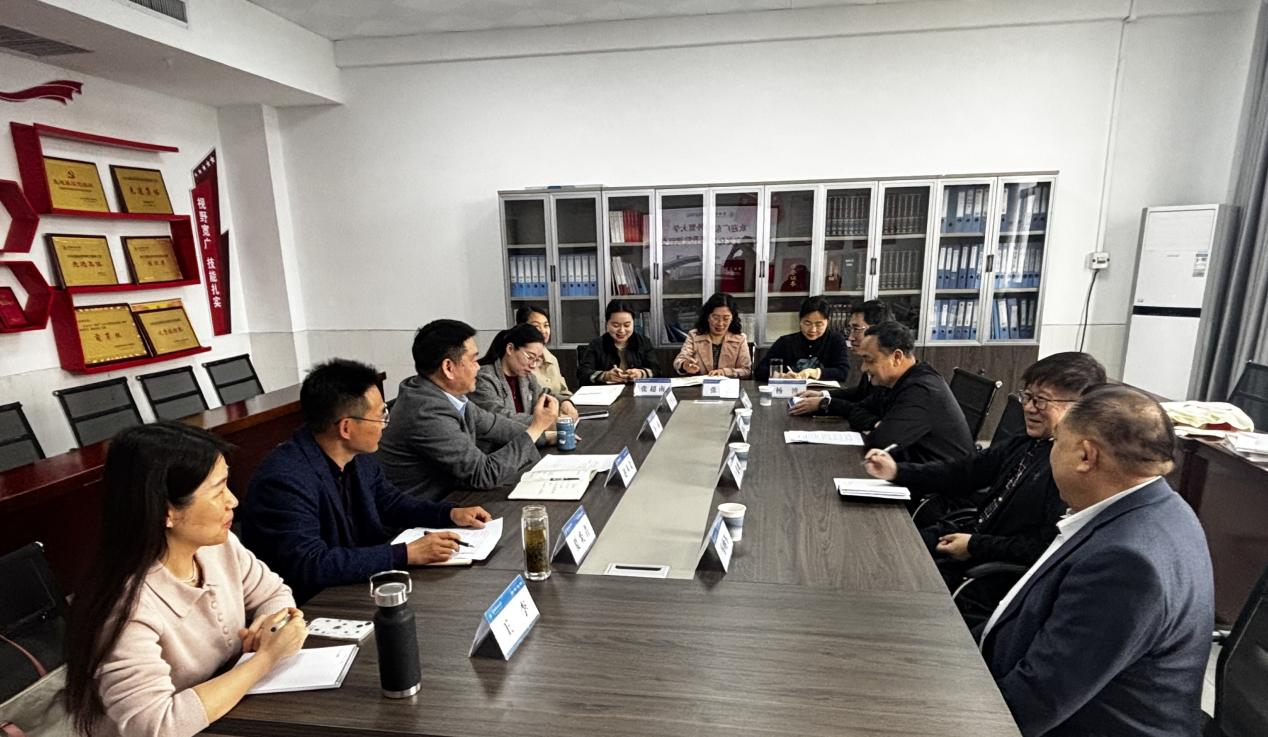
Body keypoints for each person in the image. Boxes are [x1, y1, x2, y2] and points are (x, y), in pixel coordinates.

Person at [979, 385, 1213, 737]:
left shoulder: (1127, 564)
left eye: (1057, 442)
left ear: (1086, 456)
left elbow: (1029, 707)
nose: (1051, 452)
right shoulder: (1159, 506)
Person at [63, 423, 306, 737]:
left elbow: (273, 592)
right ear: (168, 511)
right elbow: (155, 726)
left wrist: (271, 625)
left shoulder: (217, 546)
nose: (233, 500)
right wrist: (266, 658)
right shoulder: (125, 605)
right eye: (218, 491)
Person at [862, 352, 1107, 626]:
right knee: (882, 550)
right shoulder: (1027, 442)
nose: (1028, 408)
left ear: (1081, 407)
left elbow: (1043, 547)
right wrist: (897, 471)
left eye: (1041, 400)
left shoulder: (1070, 470)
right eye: (1027, 397)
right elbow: (965, 472)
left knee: (889, 584)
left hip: (989, 577)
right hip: (970, 539)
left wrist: (974, 546)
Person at [240, 359, 494, 604]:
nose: (385, 425)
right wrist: (406, 553)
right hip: (313, 605)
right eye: (380, 415)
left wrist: (449, 514)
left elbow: (390, 503)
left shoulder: (358, 457)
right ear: (346, 428)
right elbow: (311, 564)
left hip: (359, 584)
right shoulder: (284, 480)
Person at [377, 319, 557, 500]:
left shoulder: (446, 394)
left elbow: (494, 424)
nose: (478, 367)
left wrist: (545, 436)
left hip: (456, 495)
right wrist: (535, 428)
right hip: (430, 507)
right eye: (473, 360)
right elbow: (484, 474)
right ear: (448, 368)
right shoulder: (425, 412)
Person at [827, 321, 973, 465]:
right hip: (911, 467)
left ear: (896, 357)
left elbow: (879, 442)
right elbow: (858, 409)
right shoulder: (893, 381)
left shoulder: (921, 390)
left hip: (940, 477)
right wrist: (877, 423)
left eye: (869, 360)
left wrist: (878, 428)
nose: (863, 368)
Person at [789, 299, 891, 416]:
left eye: (856, 329)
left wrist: (824, 403)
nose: (850, 337)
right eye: (850, 329)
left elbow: (866, 410)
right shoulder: (871, 362)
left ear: (878, 330)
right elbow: (860, 394)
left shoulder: (889, 374)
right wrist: (823, 394)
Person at [470, 323, 578, 428]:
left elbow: (545, 395)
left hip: (527, 438)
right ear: (510, 349)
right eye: (530, 357)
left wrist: (565, 402)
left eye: (537, 360)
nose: (533, 365)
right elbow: (499, 417)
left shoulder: (527, 378)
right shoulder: (484, 378)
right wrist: (544, 422)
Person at [755, 296, 850, 381]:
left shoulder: (836, 340)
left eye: (819, 324)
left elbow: (843, 372)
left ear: (827, 322)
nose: (812, 330)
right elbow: (759, 371)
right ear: (800, 321)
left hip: (824, 393)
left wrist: (813, 372)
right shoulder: (786, 342)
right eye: (807, 323)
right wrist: (781, 376)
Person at [577, 299, 662, 385]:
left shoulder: (643, 342)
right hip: (607, 392)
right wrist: (605, 376)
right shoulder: (596, 344)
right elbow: (583, 374)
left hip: (635, 391)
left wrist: (641, 373)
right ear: (607, 324)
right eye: (616, 325)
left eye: (627, 325)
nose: (622, 330)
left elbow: (657, 371)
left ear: (633, 323)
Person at [672, 292, 752, 378]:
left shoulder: (740, 339)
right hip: (700, 385)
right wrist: (685, 365)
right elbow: (679, 361)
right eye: (716, 318)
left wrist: (724, 372)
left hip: (728, 385)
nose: (720, 323)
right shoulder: (694, 336)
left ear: (732, 318)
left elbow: (746, 371)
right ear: (708, 317)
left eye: (726, 318)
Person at [514, 305, 571, 398]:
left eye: (546, 325)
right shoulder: (519, 361)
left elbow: (564, 392)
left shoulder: (552, 359)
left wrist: (568, 402)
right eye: (536, 326)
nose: (543, 331)